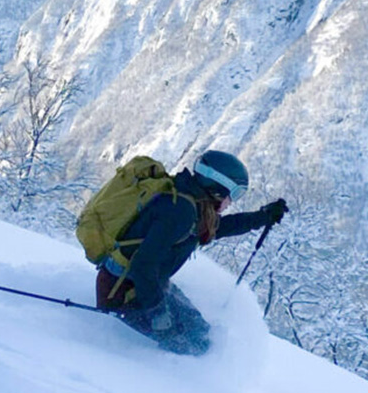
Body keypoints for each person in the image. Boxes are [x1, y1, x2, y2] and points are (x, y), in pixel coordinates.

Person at [95, 149, 287, 353]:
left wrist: (262, 217)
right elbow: (143, 265)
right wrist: (157, 312)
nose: (232, 201)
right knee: (198, 345)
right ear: (218, 188)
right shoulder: (181, 211)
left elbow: (217, 227)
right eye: (234, 194)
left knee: (202, 333)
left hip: (143, 287)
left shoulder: (191, 202)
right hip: (121, 295)